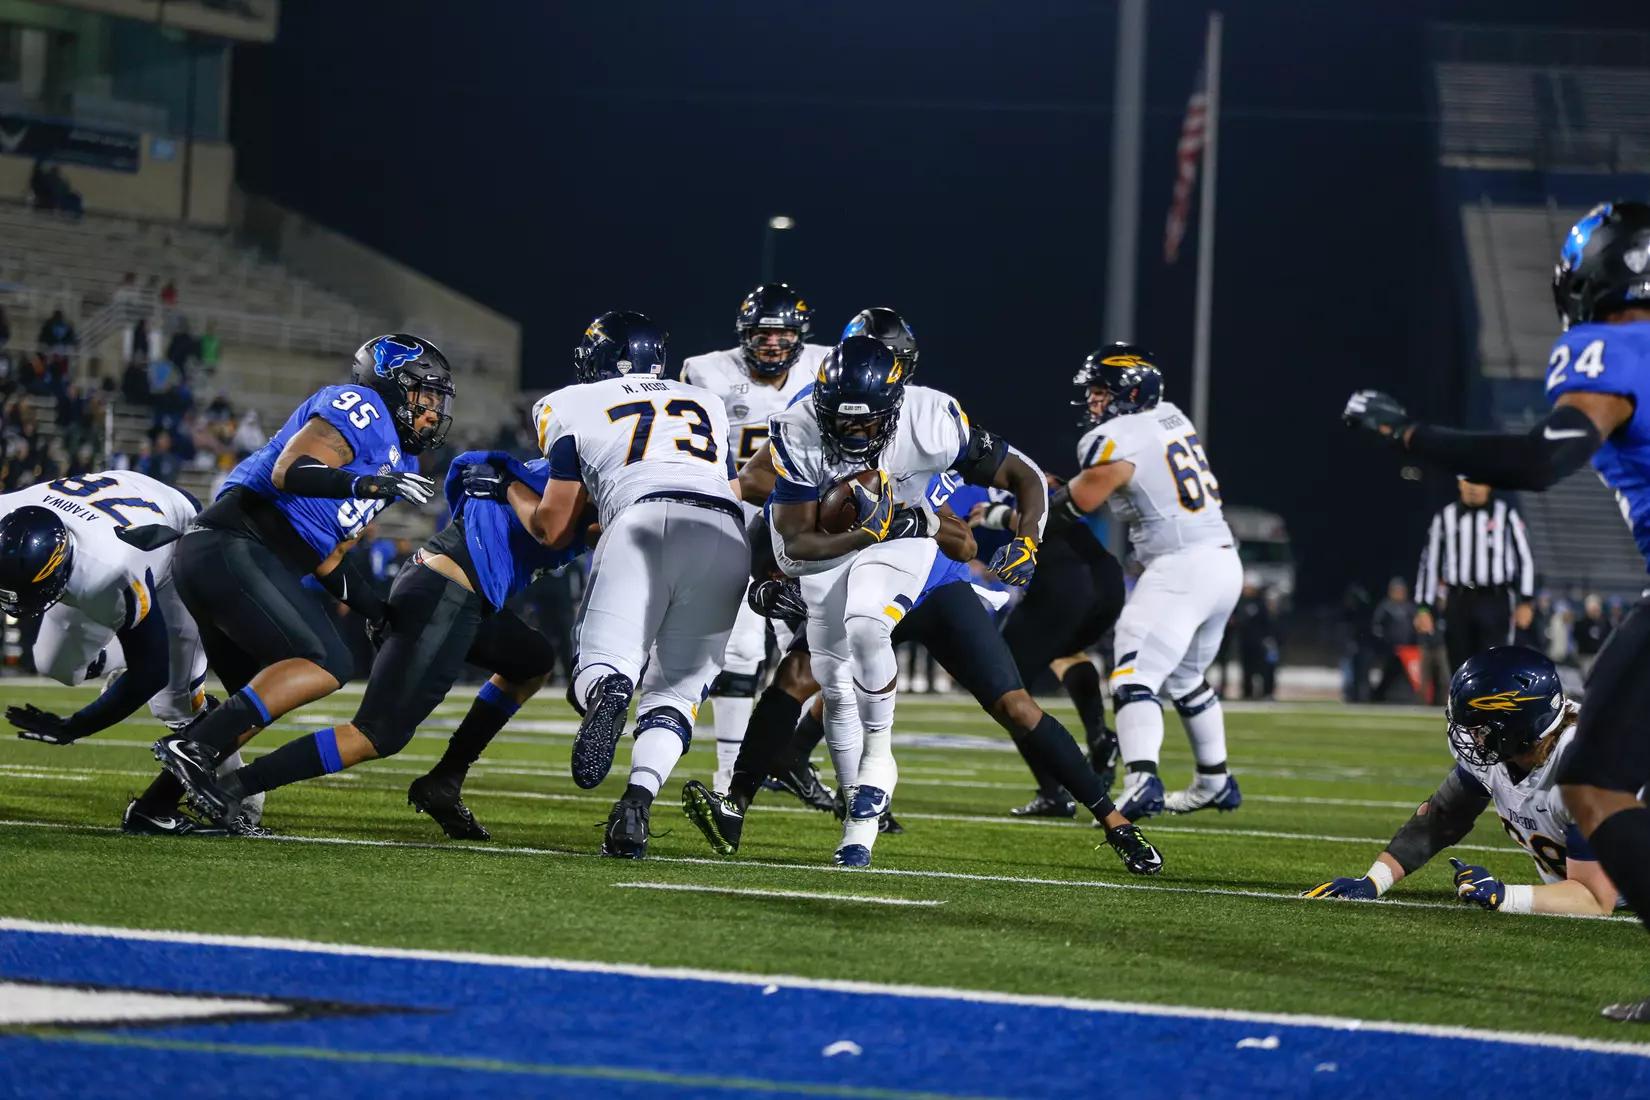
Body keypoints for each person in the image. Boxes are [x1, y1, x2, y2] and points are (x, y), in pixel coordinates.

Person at [1342, 200, 1650, 1022]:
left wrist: (1412, 436)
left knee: (1594, 784)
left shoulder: (1614, 345)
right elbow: (1442, 816)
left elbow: (1540, 459)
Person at [682, 502, 1163, 875]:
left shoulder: (904, 458)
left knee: (1015, 706)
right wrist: (767, 588)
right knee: (796, 675)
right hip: (855, 593)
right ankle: (736, 806)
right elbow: (767, 561)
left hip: (933, 589)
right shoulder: (795, 472)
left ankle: (1116, 822)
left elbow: (965, 534)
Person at [177, 449, 582, 841]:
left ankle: (445, 780)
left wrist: (506, 487)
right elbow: (547, 524)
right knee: (377, 733)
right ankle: (232, 787)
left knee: (533, 660)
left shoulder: (577, 475)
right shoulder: (586, 480)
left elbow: (478, 478)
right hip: (447, 590)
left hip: (453, 588)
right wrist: (508, 486)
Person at [756, 334, 1050, 866]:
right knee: (831, 682)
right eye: (840, 417)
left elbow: (1020, 478)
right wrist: (782, 565)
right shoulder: (798, 425)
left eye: (865, 419)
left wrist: (1026, 538)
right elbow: (783, 526)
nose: (852, 430)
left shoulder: (931, 420)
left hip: (913, 544)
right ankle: (853, 827)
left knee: (868, 631)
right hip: (826, 551)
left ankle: (876, 763)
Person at [147, 334, 453, 829]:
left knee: (250, 708)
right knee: (327, 660)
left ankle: (153, 808)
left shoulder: (403, 461)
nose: (434, 411)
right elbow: (292, 470)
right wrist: (370, 483)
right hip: (233, 541)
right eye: (427, 395)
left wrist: (379, 612)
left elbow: (327, 555)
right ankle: (190, 747)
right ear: (393, 385)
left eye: (439, 400)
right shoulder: (362, 407)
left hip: (240, 559)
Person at [528, 310, 749, 858]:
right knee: (677, 694)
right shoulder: (708, 404)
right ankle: (635, 807)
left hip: (644, 520)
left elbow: (554, 528)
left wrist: (509, 489)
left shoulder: (565, 403)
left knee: (602, 666)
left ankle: (609, 691)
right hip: (726, 530)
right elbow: (725, 483)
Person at [0, 469, 263, 834]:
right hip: (102, 518)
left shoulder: (110, 571)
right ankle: (121, 656)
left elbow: (150, 673)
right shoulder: (6, 513)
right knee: (55, 664)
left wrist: (76, 726)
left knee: (173, 700)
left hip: (175, 536)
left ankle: (241, 796)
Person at [1045, 344, 1244, 820]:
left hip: (1182, 568)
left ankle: (1140, 781)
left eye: (1100, 392)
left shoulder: (1119, 436)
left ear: (1129, 392)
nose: (1093, 403)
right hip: (1221, 561)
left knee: (1134, 676)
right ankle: (1215, 780)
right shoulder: (1171, 416)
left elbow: (1076, 506)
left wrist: (1007, 512)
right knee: (1184, 677)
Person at [1304, 647, 1618, 916]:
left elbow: (1595, 898)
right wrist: (1374, 881)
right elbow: (1441, 818)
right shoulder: (1508, 754)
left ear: (1517, 728)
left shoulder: (1588, 770)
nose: (1470, 737)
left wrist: (1505, 896)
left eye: (1479, 728)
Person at [679, 284, 830, 795]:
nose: (772, 344)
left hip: (807, 519)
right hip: (738, 514)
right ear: (744, 336)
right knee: (742, 648)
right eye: (762, 334)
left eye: (783, 333)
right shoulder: (705, 371)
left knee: (823, 652)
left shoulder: (828, 366)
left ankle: (811, 764)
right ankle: (732, 776)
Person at [1415, 478, 1535, 672]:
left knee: (1494, 662)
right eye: (1467, 481)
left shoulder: (1505, 514)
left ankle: (1491, 702)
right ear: (1459, 484)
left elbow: (1525, 558)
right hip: (1458, 598)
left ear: (1488, 485)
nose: (1472, 487)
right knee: (1459, 663)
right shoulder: (1445, 517)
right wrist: (1424, 607)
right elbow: (1429, 563)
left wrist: (1526, 601)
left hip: (1494, 598)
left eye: (1478, 482)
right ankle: (1462, 702)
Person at [1369, 576, 1417, 702]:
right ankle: (1377, 696)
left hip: (1407, 650)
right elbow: (1377, 627)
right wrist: (1386, 642)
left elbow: (1415, 626)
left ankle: (1409, 699)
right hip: (1391, 649)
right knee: (1389, 674)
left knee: (1409, 676)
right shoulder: (1385, 607)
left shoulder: (1409, 608)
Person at [1574, 593, 1611, 679]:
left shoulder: (1605, 623)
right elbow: (1578, 639)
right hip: (1586, 657)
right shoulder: (1581, 623)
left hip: (1601, 657)